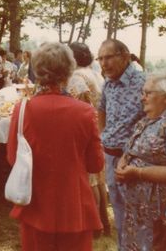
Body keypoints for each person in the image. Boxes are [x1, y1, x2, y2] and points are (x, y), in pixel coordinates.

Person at [7, 42, 103, 251]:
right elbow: (95, 164)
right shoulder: (85, 112)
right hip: (74, 205)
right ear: (69, 70)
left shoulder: (21, 110)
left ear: (38, 71)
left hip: (35, 204)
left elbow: (13, 159)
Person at [115, 74, 166, 250]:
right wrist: (123, 163)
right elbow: (131, 151)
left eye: (148, 93)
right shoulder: (146, 121)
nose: (142, 97)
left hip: (160, 213)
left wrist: (137, 172)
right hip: (137, 210)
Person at [96, 38, 145, 246]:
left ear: (124, 56)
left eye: (108, 57)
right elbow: (102, 110)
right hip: (110, 156)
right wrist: (103, 135)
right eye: (100, 58)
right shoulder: (108, 82)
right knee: (119, 211)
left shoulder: (144, 83)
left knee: (138, 215)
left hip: (135, 162)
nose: (103, 63)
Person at [67, 42, 110, 237]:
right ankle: (104, 223)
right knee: (99, 179)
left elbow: (81, 99)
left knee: (91, 181)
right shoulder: (94, 73)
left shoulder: (77, 76)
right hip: (100, 126)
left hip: (88, 128)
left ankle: (95, 226)